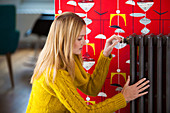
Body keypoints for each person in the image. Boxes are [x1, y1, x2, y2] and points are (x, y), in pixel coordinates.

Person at [26, 12, 150, 113]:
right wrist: (124, 98)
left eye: (84, 37)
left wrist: (105, 55)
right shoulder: (56, 72)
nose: (84, 43)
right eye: (80, 38)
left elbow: (91, 89)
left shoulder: (70, 58)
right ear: (65, 40)